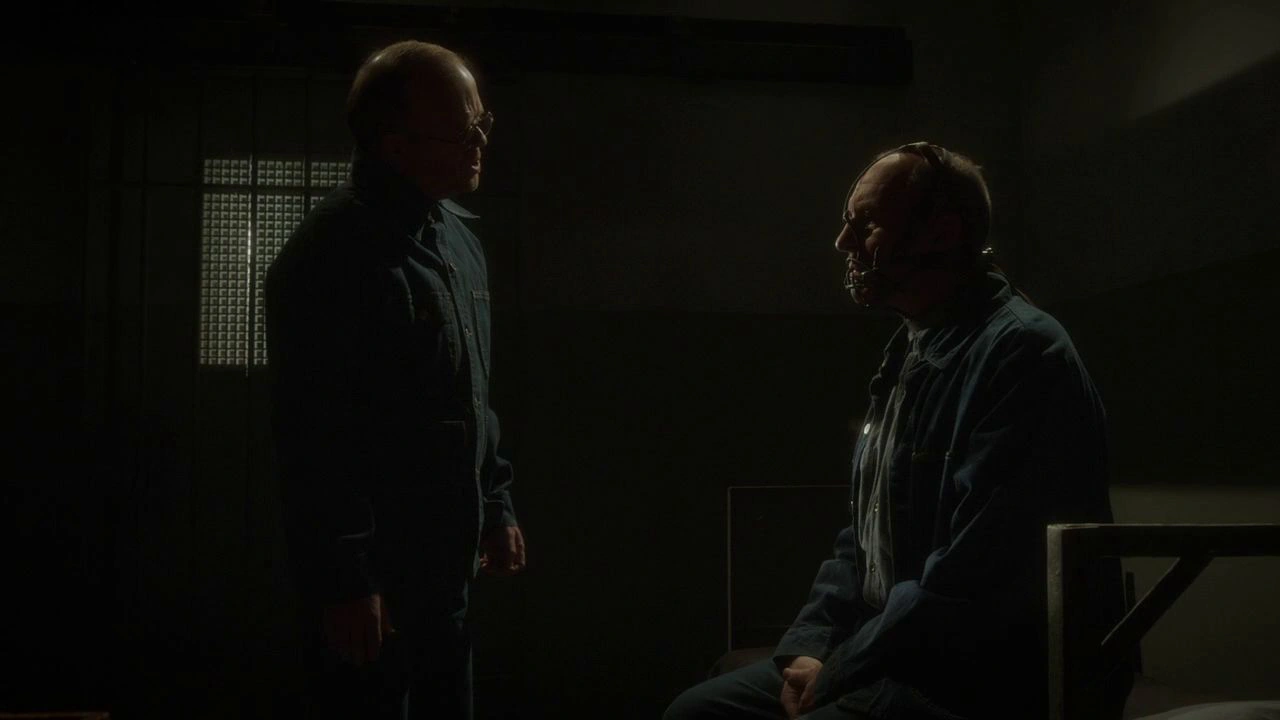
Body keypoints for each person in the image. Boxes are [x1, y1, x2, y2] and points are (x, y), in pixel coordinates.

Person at [664, 142, 1130, 719]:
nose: (843, 242)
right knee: (695, 712)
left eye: (865, 224)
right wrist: (811, 646)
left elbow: (972, 577)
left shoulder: (1022, 353)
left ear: (942, 233)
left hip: (976, 677)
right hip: (898, 650)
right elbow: (865, 532)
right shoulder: (911, 350)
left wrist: (842, 667)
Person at [265, 41, 526, 720]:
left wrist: (494, 502)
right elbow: (315, 433)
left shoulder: (457, 242)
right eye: (460, 130)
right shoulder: (330, 256)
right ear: (394, 144)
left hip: (446, 569)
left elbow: (468, 390)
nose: (479, 142)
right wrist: (346, 580)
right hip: (377, 585)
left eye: (482, 123)